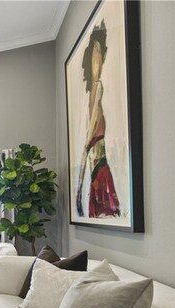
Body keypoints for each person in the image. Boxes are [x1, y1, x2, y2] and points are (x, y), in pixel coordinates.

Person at [75, 21, 120, 218]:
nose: (97, 62)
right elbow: (89, 136)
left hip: (99, 165)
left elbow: (90, 135)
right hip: (96, 165)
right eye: (94, 56)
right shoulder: (94, 91)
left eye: (99, 55)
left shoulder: (98, 89)